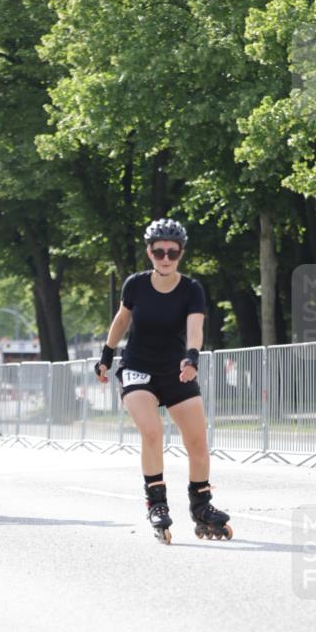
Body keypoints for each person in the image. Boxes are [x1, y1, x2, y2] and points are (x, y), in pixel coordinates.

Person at [94, 218, 232, 543]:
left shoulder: (191, 290)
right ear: (149, 252)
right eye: (159, 252)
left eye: (173, 252)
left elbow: (195, 328)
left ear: (181, 253)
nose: (166, 258)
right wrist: (106, 354)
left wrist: (192, 357)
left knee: (197, 442)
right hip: (137, 368)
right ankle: (157, 504)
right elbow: (121, 320)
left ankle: (201, 507)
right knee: (152, 431)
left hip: (176, 369)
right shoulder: (136, 285)